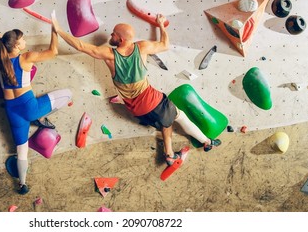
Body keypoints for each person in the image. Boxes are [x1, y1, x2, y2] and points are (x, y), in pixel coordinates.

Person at [51, 13, 220, 166]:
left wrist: (58, 30)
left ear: (121, 40)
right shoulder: (142, 47)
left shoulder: (110, 56)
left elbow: (81, 46)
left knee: (166, 122)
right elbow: (165, 44)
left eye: (114, 34)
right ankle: (206, 142)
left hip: (135, 109)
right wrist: (160, 25)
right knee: (179, 116)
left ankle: (170, 154)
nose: (111, 36)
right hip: (151, 100)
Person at [0, 26, 72, 195]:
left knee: (21, 150)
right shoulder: (26, 58)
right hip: (30, 108)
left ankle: (22, 184)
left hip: (12, 112)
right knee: (68, 95)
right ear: (17, 45)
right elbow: (53, 51)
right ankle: (39, 118)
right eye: (23, 40)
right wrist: (54, 30)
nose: (26, 42)